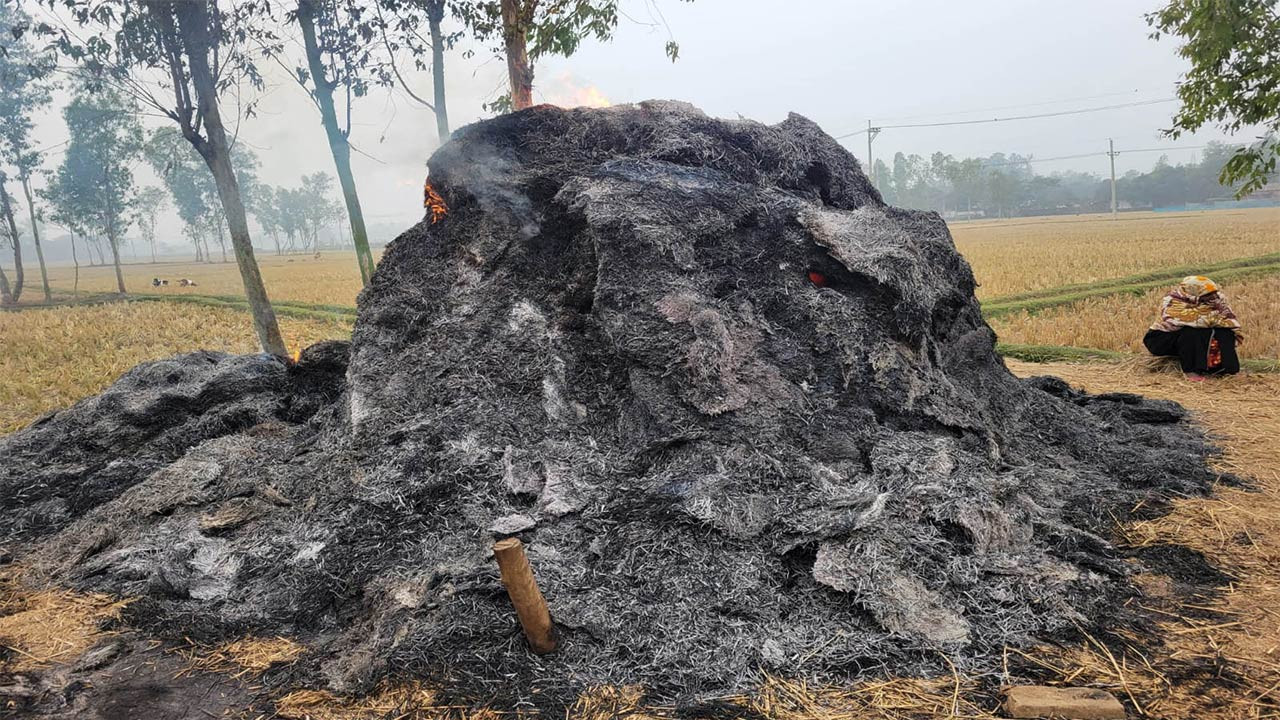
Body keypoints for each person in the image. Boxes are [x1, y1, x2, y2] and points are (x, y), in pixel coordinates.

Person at [1143, 275, 1243, 380]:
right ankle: (1191, 371)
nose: (1213, 296)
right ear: (1193, 292)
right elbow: (1185, 321)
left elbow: (1227, 320)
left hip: (1197, 333)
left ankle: (1228, 370)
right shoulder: (1174, 301)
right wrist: (1211, 321)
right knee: (1192, 332)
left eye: (1214, 292)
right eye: (1208, 294)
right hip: (1163, 338)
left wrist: (1216, 324)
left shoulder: (1217, 301)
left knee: (1225, 333)